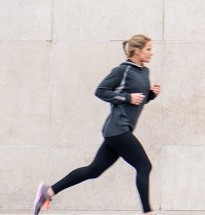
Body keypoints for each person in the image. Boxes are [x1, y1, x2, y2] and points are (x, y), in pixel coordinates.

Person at [33, 35, 162, 214]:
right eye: (148, 49)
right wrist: (126, 97)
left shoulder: (144, 72)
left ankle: (48, 192)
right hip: (118, 129)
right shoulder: (122, 71)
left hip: (118, 131)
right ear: (137, 51)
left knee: (93, 171)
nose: (152, 52)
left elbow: (138, 101)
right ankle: (148, 212)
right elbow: (101, 91)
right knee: (144, 166)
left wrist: (151, 95)